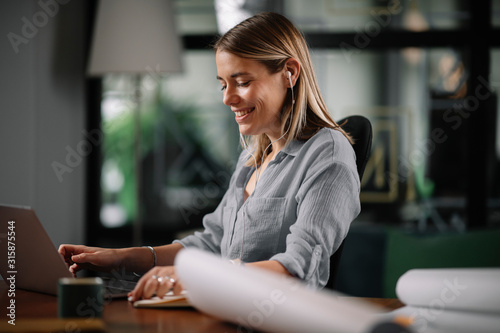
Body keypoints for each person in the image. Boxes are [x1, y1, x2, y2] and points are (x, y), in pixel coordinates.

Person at [59, 12, 360, 301]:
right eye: (223, 84)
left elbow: (299, 268)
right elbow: (212, 242)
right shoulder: (250, 161)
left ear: (289, 73)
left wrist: (203, 277)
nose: (227, 98)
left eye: (242, 82)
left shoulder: (328, 154)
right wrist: (122, 257)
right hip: (222, 311)